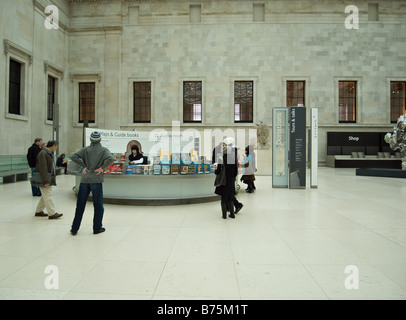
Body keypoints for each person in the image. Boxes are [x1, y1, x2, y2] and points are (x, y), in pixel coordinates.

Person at [70, 131, 116, 235]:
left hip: (85, 179)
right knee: (98, 205)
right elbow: (111, 159)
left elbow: (73, 157)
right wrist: (101, 168)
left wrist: (84, 165)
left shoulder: (86, 149)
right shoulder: (103, 150)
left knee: (80, 205)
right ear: (100, 139)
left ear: (90, 139)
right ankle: (97, 228)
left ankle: (74, 228)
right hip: (96, 179)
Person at [34, 140, 63, 219]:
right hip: (45, 179)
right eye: (56, 146)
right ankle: (52, 213)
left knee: (45, 195)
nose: (56, 148)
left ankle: (39, 211)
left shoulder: (47, 153)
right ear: (53, 145)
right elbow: (43, 168)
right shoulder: (43, 153)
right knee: (48, 195)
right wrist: (46, 181)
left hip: (48, 178)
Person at [214, 145, 239, 219]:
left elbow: (218, 171)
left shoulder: (221, 159)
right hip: (230, 181)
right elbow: (235, 171)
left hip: (223, 181)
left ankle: (224, 215)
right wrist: (233, 177)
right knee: (230, 197)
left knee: (223, 198)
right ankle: (232, 214)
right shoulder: (233, 159)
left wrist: (216, 172)